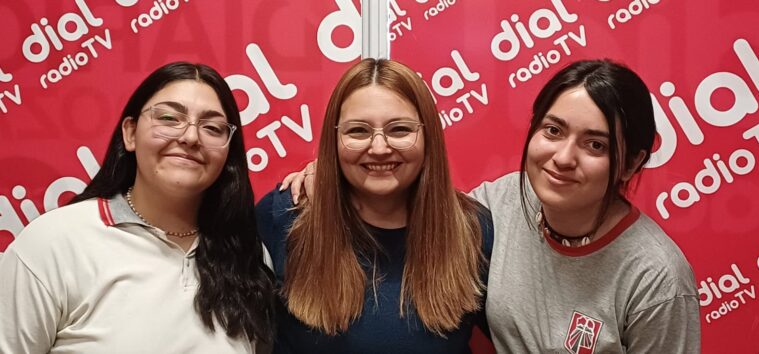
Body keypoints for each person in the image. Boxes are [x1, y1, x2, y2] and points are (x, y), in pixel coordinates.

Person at [283, 59, 701, 353]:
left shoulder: (656, 279)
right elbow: (418, 199)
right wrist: (331, 171)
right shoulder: (500, 205)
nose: (563, 157)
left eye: (596, 144)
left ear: (631, 163)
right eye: (552, 130)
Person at [0, 62, 275, 353]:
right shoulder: (56, 242)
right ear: (130, 133)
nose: (191, 137)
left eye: (212, 128)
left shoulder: (248, 258)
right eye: (169, 118)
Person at [256, 58, 493, 354]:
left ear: (427, 135)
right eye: (357, 131)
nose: (379, 148)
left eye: (399, 130)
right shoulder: (284, 215)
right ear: (335, 139)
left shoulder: (472, 229)